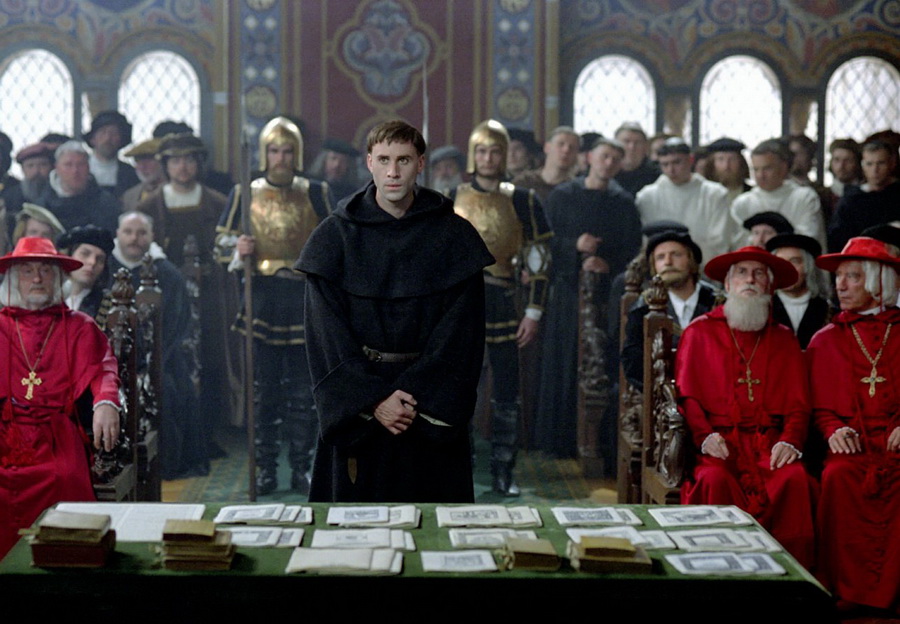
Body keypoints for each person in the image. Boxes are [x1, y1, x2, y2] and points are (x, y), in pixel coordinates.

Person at [296, 119, 492, 503]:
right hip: (360, 410)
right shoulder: (335, 237)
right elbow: (326, 336)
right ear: (369, 162)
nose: (393, 172)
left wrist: (410, 397)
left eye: (403, 160)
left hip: (428, 405)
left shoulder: (454, 236)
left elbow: (461, 334)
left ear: (421, 164)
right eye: (384, 159)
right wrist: (373, 400)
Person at [675, 245, 816, 568]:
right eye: (741, 272)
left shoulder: (784, 338)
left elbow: (799, 405)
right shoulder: (699, 332)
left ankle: (790, 579)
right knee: (714, 479)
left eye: (758, 273)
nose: (749, 279)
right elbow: (688, 398)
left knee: (793, 479)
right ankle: (715, 573)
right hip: (720, 444)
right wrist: (704, 437)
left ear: (769, 285)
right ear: (727, 284)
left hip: (769, 445)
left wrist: (790, 440)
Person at [217, 116, 331, 495]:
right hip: (262, 297)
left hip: (303, 297)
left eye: (286, 150)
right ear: (264, 154)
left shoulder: (317, 192)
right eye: (274, 150)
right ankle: (265, 469)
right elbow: (219, 244)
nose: (281, 157)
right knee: (264, 392)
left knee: (303, 393)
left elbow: (335, 239)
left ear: (297, 153)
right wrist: (238, 248)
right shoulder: (245, 193)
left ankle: (301, 467)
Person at [450, 119, 552, 496]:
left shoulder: (523, 199)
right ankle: (460, 467)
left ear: (505, 155)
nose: (488, 158)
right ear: (472, 155)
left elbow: (539, 257)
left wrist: (534, 311)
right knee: (460, 389)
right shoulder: (451, 197)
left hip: (506, 301)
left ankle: (503, 470)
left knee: (507, 390)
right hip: (461, 304)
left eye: (495, 151)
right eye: (481, 151)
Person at [0, 236, 120, 558]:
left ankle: (66, 565)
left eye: (45, 271)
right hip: (6, 431)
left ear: (57, 279)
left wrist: (106, 402)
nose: (37, 279)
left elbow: (103, 368)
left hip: (55, 434)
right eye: (27, 271)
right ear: (13, 280)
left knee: (64, 477)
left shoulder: (79, 325)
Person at [807, 237, 900, 612]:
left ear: (879, 282)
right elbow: (819, 406)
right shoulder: (825, 339)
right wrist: (833, 429)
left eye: (853, 277)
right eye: (838, 277)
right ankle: (846, 590)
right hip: (854, 446)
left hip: (894, 443)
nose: (841, 285)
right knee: (838, 475)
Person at [535, 136, 642, 457]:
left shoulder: (624, 203)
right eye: (604, 156)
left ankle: (594, 442)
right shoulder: (562, 196)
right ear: (589, 158)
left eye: (615, 159)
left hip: (606, 296)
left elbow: (632, 248)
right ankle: (557, 441)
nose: (608, 163)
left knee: (599, 364)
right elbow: (544, 243)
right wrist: (574, 247)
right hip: (567, 294)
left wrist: (607, 263)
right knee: (563, 362)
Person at [109, 211, 207, 479]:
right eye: (128, 232)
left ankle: (160, 465)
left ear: (152, 236)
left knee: (167, 389)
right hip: (109, 358)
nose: (134, 238)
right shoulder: (105, 266)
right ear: (118, 234)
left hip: (162, 356)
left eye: (142, 233)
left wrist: (144, 363)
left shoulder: (168, 274)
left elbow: (176, 325)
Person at [621, 230, 716, 390]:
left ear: (691, 260)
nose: (668, 262)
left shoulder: (717, 302)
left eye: (676, 255)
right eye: (660, 257)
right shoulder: (643, 307)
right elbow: (634, 366)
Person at [635, 138, 733, 268]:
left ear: (690, 160)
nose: (671, 169)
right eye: (665, 164)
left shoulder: (715, 194)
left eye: (676, 162)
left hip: (704, 268)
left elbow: (720, 240)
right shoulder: (647, 197)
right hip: (662, 269)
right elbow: (646, 241)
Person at [730, 138, 825, 249]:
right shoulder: (742, 203)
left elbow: (809, 240)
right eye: (756, 169)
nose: (760, 175)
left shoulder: (805, 198)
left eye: (767, 168)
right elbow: (736, 244)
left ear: (783, 167)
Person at [828, 140, 900, 253]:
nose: (875, 170)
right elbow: (837, 238)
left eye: (881, 163)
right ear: (862, 165)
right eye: (869, 164)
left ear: (892, 163)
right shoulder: (851, 199)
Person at [37, 140, 120, 233]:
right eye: (68, 165)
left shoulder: (106, 203)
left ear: (88, 167)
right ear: (57, 168)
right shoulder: (43, 206)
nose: (75, 170)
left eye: (80, 164)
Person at [765, 233, 831, 349]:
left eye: (795, 261)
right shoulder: (763, 308)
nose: (787, 269)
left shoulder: (829, 311)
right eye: (780, 262)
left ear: (808, 267)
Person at [58, 225, 115, 325]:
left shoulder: (108, 305)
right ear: (69, 256)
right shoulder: (50, 297)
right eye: (85, 254)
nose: (92, 262)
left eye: (100, 259)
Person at [511, 126, 581, 203]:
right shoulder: (523, 183)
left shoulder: (576, 190)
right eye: (561, 144)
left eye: (572, 147)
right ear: (547, 147)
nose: (566, 150)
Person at [83, 110, 139, 199]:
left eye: (114, 133)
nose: (107, 138)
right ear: (92, 139)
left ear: (121, 140)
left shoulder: (130, 174)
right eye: (103, 132)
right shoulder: (78, 169)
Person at [613, 122, 660, 196]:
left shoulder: (656, 175)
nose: (632, 147)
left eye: (637, 142)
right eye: (626, 141)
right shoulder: (607, 172)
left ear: (645, 146)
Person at [308, 137, 361, 201]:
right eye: (333, 158)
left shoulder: (353, 195)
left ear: (349, 166)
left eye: (343, 161)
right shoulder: (310, 184)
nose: (337, 165)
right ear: (324, 160)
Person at [704, 137, 752, 206]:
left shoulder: (752, 194)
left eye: (732, 159)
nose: (726, 165)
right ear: (712, 163)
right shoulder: (703, 194)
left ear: (741, 163)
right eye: (721, 159)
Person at [120, 137, 164, 212]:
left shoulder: (177, 190)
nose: (142, 167)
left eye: (148, 160)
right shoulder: (129, 196)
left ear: (163, 162)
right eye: (137, 161)